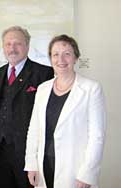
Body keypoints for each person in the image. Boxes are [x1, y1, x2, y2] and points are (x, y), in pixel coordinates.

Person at [25, 34, 106, 188]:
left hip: (75, 171)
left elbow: (97, 137)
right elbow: (34, 130)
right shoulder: (43, 89)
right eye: (55, 54)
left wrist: (87, 174)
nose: (60, 60)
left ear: (75, 58)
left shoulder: (91, 89)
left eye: (67, 54)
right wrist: (31, 164)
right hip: (44, 165)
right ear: (50, 58)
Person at [0, 26, 54, 188]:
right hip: (2, 149)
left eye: (17, 43)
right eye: (8, 44)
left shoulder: (43, 73)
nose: (12, 48)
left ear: (27, 45)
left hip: (28, 152)